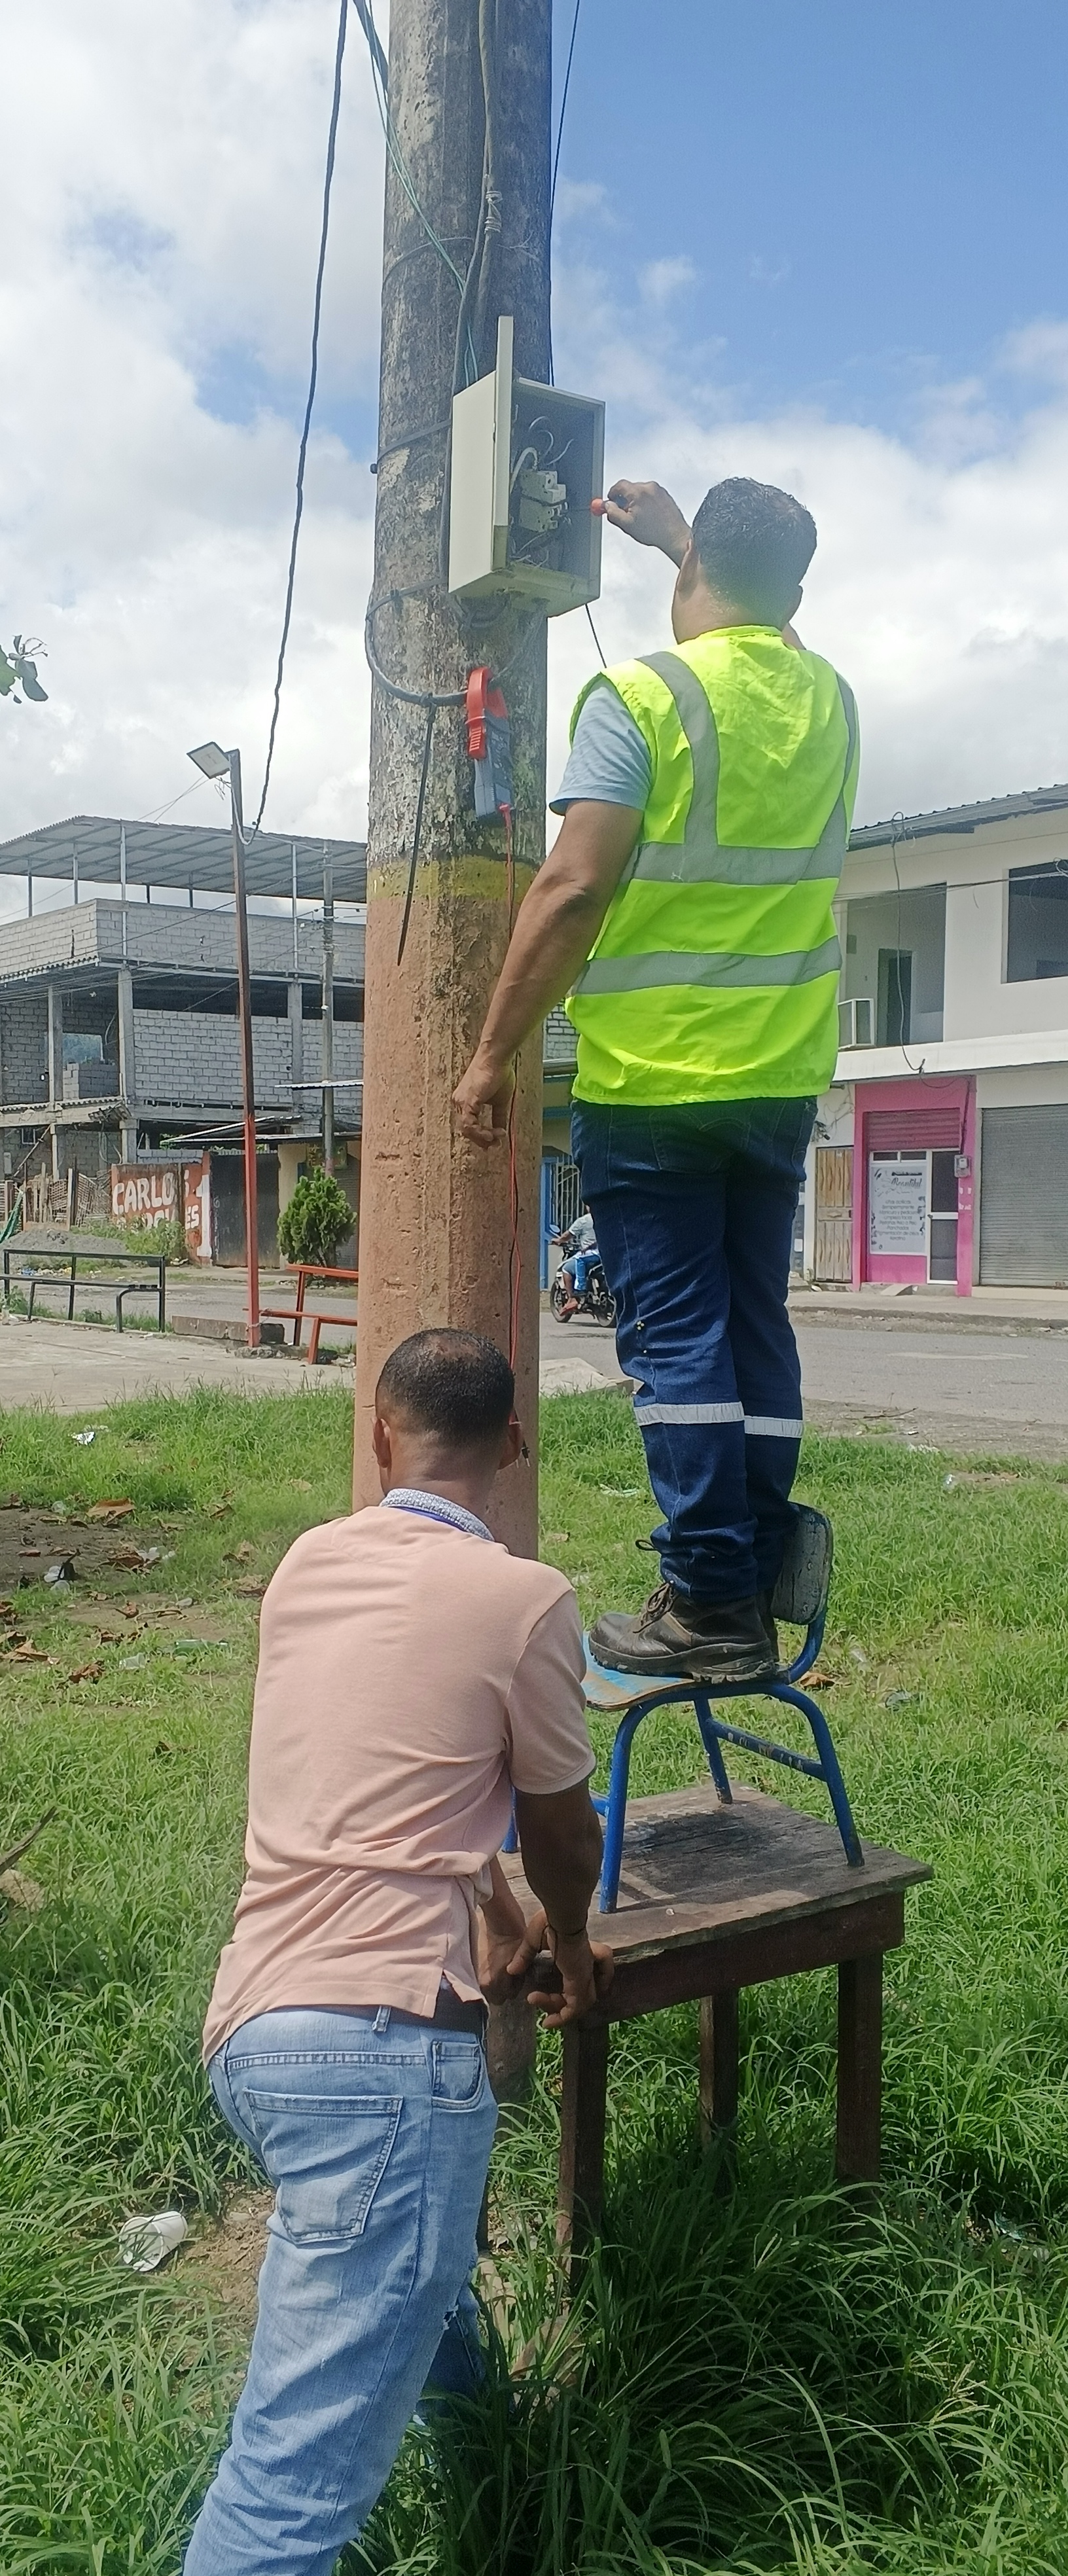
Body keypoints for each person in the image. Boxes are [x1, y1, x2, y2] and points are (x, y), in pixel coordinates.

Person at [180, 1327, 609, 2576]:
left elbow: (393, 1789)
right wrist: (568, 1939)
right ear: (515, 1445)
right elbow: (560, 1828)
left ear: (378, 1437)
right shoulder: (524, 1599)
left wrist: (490, 1905)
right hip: (378, 2060)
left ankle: (490, 2465)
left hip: (256, 2022)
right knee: (289, 2478)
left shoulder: (305, 1564)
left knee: (411, 2268)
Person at [454, 476, 859, 1683]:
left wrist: (492, 1053)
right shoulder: (827, 697)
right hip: (776, 1079)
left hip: (655, 1082)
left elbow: (573, 886)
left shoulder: (639, 697)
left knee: (678, 1339)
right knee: (751, 1328)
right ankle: (751, 1571)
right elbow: (768, 629)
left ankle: (708, 1601)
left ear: (693, 576)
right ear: (792, 588)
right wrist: (687, 544)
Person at [554, 1204, 600, 1312]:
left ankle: (572, 1298)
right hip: (605, 1256)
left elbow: (568, 1235)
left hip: (590, 1255)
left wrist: (559, 1240)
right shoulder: (606, 1219)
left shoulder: (584, 1220)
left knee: (567, 1269)